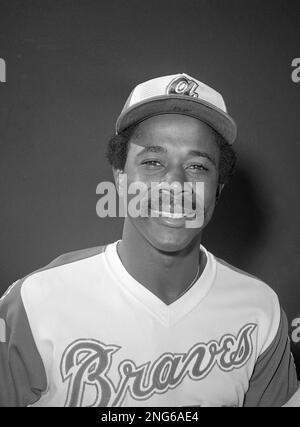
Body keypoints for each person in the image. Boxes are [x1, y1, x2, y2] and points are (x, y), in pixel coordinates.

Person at [0, 73, 298, 407]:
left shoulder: (259, 309)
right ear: (121, 176)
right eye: (153, 162)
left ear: (219, 187)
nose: (175, 183)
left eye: (198, 166)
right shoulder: (36, 300)